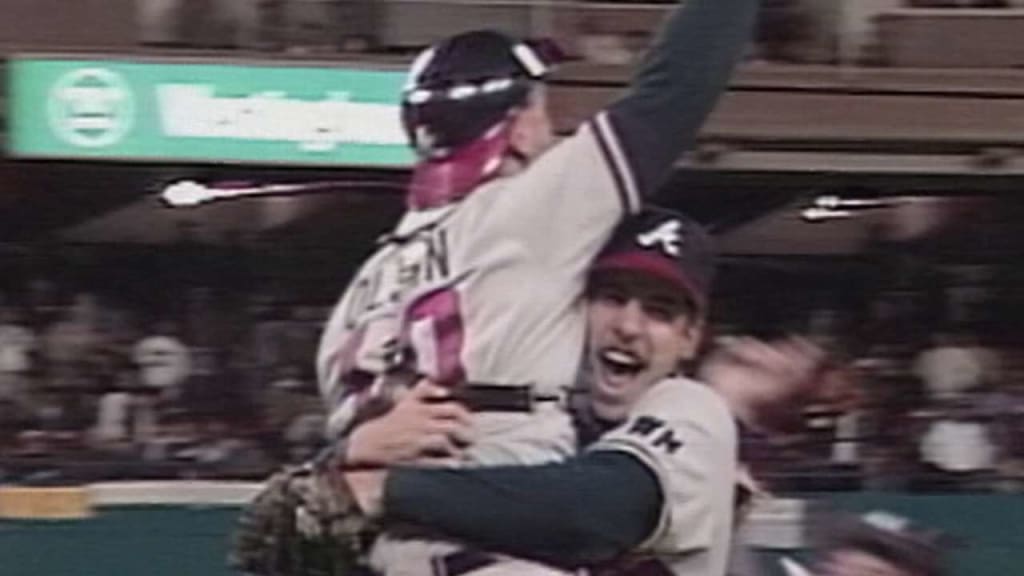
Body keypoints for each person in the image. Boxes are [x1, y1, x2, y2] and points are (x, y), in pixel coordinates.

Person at [338, 209, 831, 576]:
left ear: (690, 338)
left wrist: (385, 490)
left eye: (660, 311)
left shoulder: (694, 409)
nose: (629, 327)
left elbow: (598, 511)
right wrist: (352, 455)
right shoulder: (531, 421)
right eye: (612, 298)